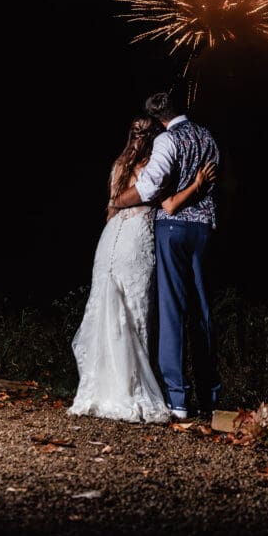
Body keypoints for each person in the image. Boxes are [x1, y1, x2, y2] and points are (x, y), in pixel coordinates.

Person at [68, 115, 216, 423]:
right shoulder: (153, 165)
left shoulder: (119, 165)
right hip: (137, 237)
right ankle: (133, 388)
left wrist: (117, 212)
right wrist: (197, 184)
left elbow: (111, 210)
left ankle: (101, 387)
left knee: (108, 307)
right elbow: (167, 204)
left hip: (110, 239)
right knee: (136, 313)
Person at [111, 90, 221, 420]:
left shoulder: (167, 140)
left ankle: (178, 398)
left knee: (172, 310)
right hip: (204, 229)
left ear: (160, 119)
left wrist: (118, 201)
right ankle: (209, 396)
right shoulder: (207, 136)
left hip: (172, 229)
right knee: (202, 311)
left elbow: (150, 187)